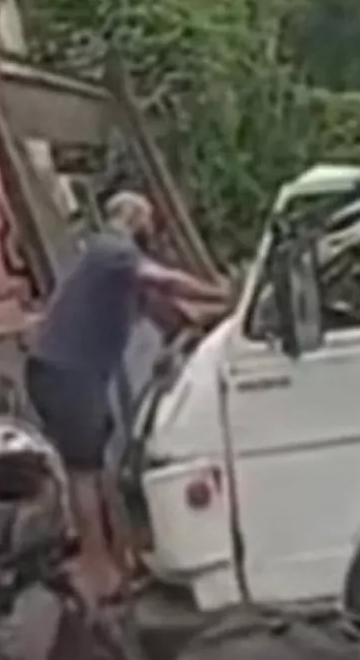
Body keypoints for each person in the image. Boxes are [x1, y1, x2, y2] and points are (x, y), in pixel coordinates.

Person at [26, 193, 228, 605]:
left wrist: (211, 323)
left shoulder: (118, 271)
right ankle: (98, 569)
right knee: (85, 470)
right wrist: (223, 295)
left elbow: (166, 312)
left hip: (69, 372)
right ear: (135, 219)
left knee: (101, 467)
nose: (153, 231)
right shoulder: (112, 250)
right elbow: (165, 282)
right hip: (64, 371)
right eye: (150, 221)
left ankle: (121, 559)